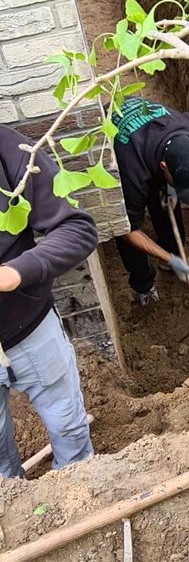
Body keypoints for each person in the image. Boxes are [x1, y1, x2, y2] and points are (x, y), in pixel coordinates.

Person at [0, 125, 98, 478]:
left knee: (68, 427)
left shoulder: (9, 150)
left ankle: (79, 494)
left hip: (31, 331)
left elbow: (78, 228)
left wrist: (16, 272)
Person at [112, 97, 189, 305]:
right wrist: (170, 259)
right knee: (128, 233)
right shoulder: (131, 173)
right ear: (163, 166)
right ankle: (143, 285)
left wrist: (172, 254)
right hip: (123, 139)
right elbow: (127, 230)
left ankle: (173, 246)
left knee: (168, 201)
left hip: (153, 144)